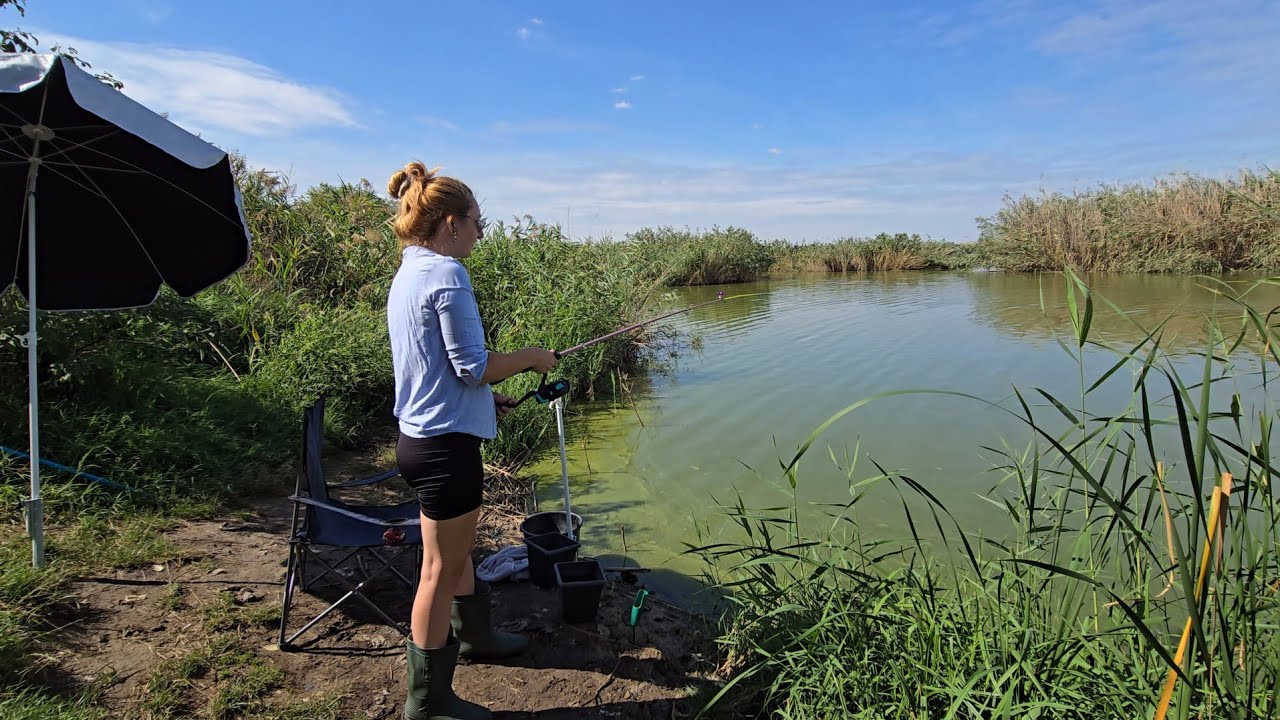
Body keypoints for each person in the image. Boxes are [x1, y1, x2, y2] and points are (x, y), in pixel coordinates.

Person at [384, 160, 557, 720]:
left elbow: (434, 368)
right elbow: (472, 366)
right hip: (444, 451)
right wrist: (532, 359)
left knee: (456, 557)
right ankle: (427, 702)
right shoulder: (448, 275)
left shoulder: (409, 271)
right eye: (478, 222)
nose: (482, 232)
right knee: (437, 571)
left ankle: (476, 640)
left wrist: (485, 401)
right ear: (451, 224)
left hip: (421, 439)